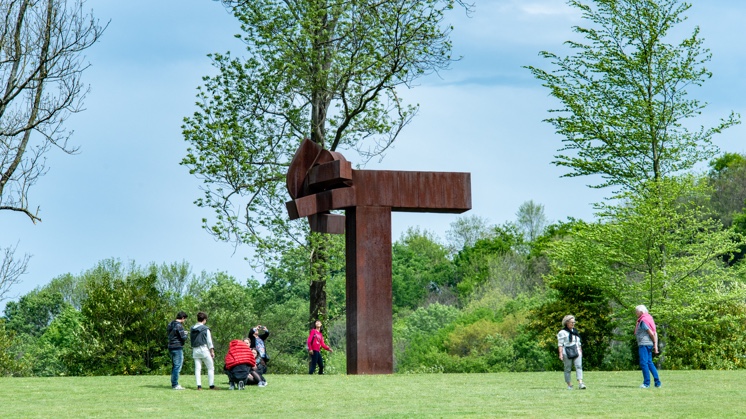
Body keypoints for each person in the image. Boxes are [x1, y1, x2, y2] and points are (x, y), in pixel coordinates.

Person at [635, 305, 662, 388]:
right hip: (649, 344)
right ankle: (657, 383)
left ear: (641, 312)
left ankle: (646, 383)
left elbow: (651, 333)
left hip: (644, 344)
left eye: (636, 311)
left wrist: (655, 343)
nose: (635, 313)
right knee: (649, 363)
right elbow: (655, 332)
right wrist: (655, 345)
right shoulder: (649, 319)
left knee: (644, 363)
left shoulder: (643, 321)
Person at [557, 315, 586, 390]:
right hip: (567, 351)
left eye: (574, 322)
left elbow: (578, 342)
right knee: (567, 368)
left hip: (576, 350)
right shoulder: (562, 332)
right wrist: (560, 354)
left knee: (579, 366)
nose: (573, 324)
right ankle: (569, 384)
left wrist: (580, 351)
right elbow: (560, 344)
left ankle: (580, 383)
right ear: (567, 323)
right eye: (571, 322)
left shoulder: (575, 331)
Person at [190, 311, 217, 390]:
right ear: (204, 319)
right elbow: (209, 342)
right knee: (210, 367)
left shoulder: (192, 328)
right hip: (203, 349)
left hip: (195, 350)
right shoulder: (205, 329)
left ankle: (199, 386)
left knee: (197, 368)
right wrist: (212, 351)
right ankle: (211, 385)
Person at [167, 311, 189, 390]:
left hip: (170, 346)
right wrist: (185, 334)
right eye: (185, 319)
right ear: (182, 318)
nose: (184, 321)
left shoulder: (170, 324)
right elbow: (183, 338)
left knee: (174, 366)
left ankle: (174, 383)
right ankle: (175, 384)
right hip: (177, 347)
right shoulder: (179, 326)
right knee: (177, 366)